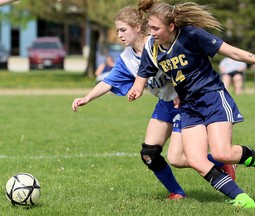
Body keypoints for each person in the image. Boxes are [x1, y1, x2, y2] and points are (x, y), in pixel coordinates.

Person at [128, 0, 255, 208]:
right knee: (195, 159)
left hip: (212, 97)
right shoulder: (153, 48)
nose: (152, 32)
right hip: (189, 106)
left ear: (171, 26)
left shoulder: (192, 35)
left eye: (156, 28)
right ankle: (241, 197)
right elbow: (142, 76)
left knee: (223, 153)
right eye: (150, 27)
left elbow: (232, 52)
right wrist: (136, 90)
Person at [72, 5, 236, 200]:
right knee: (149, 153)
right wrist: (87, 98)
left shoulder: (159, 42)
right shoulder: (126, 58)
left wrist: (179, 91)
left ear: (138, 28)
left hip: (186, 104)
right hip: (165, 105)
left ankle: (221, 163)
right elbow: (109, 81)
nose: (119, 35)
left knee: (179, 158)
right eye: (117, 30)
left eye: (123, 30)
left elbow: (183, 66)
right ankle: (177, 192)